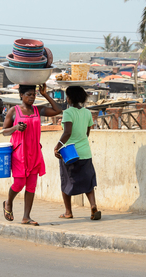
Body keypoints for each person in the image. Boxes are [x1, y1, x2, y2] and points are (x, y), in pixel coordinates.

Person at [2, 84, 62, 226]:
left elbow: (58, 110)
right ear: (21, 95)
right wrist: (16, 127)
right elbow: (4, 131)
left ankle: (26, 217)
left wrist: (45, 94)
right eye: (29, 94)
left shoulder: (38, 110)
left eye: (34, 95)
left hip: (34, 153)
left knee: (31, 186)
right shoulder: (14, 111)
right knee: (19, 183)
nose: (32, 97)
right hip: (19, 153)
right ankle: (8, 202)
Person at [53, 86, 101, 220]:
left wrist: (57, 146)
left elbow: (67, 133)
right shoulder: (87, 112)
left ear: (69, 98)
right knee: (88, 181)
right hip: (85, 151)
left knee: (66, 181)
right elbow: (87, 133)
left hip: (70, 152)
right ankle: (93, 205)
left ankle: (68, 212)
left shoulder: (68, 113)